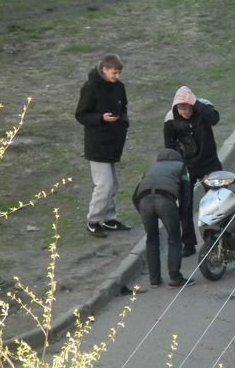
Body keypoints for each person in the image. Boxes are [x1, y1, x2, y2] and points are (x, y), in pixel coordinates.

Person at [75, 53, 131, 238]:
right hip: (97, 144)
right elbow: (81, 114)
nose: (117, 76)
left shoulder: (119, 87)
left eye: (119, 73)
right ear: (104, 69)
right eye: (114, 73)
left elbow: (123, 107)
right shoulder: (91, 87)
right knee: (104, 185)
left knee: (113, 184)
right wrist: (101, 118)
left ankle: (109, 218)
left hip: (114, 142)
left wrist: (123, 121)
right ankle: (93, 221)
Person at [163, 86, 222, 257]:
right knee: (185, 205)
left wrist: (196, 103)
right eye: (181, 110)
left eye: (187, 109)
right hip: (186, 166)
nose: (185, 113)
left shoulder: (203, 107)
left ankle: (216, 238)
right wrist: (176, 166)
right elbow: (170, 146)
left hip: (209, 163)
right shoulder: (170, 119)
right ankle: (188, 243)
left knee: (216, 200)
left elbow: (214, 119)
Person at [132, 148, 195, 288]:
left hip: (144, 201)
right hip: (165, 200)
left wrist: (141, 211)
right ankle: (175, 278)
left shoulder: (151, 168)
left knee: (151, 239)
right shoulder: (181, 167)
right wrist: (181, 215)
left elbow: (134, 195)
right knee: (174, 239)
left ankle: (154, 280)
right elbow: (186, 194)